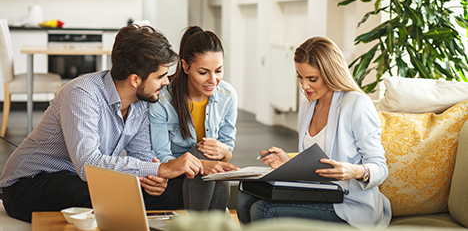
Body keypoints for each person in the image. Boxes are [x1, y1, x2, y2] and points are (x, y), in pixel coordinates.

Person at [0, 24, 203, 223]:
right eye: (160, 76)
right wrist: (160, 170)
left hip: (78, 179)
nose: (166, 82)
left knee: (166, 195)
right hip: (29, 183)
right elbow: (88, 165)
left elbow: (142, 157)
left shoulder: (141, 102)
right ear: (135, 80)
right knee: (109, 197)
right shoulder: (82, 93)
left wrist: (153, 179)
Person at [237, 37, 391, 229]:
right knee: (245, 198)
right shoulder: (308, 107)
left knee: (264, 210)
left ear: (331, 74)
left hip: (350, 204)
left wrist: (355, 171)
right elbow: (315, 162)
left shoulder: (356, 104)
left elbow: (380, 168)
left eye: (312, 79)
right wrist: (288, 161)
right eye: (300, 77)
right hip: (318, 194)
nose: (304, 86)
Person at [149, 26, 239, 211]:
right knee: (200, 153)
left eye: (219, 71)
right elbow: (162, 156)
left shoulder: (227, 95)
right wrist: (201, 164)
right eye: (203, 72)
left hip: (209, 176)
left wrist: (223, 151)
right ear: (185, 66)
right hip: (176, 174)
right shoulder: (163, 100)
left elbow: (227, 151)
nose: (213, 80)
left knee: (213, 162)